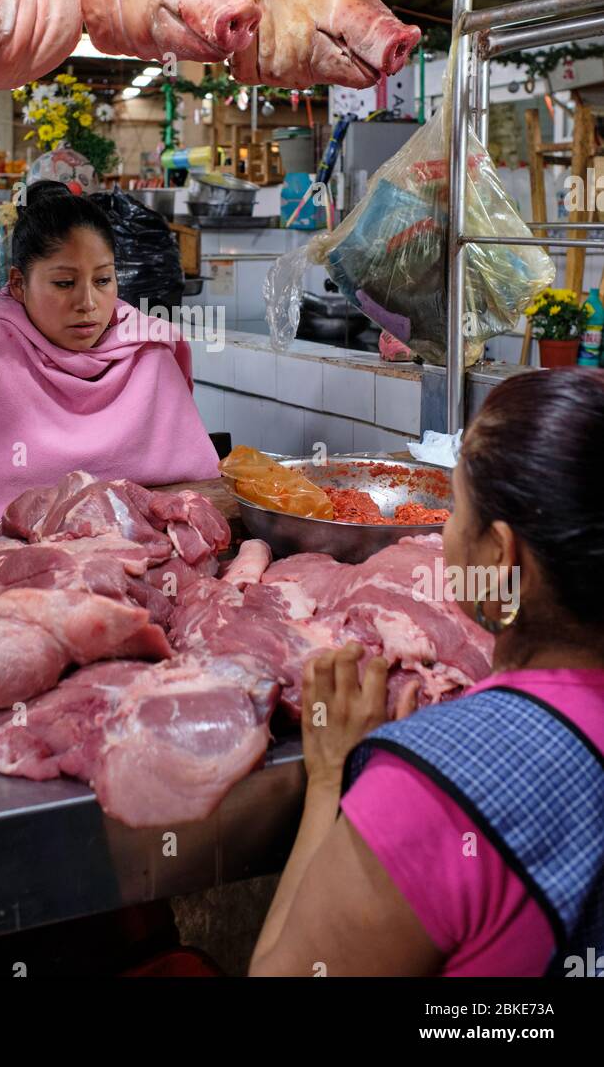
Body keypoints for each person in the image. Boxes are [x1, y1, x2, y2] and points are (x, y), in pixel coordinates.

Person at [250, 368, 604, 978]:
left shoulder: (441, 783)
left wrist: (332, 778)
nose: (441, 531)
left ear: (500, 555)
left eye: (456, 510)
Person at [0, 181, 219, 529]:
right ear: (18, 285)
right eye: (64, 284)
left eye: (102, 281)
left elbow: (194, 494)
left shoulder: (148, 353)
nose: (87, 303)